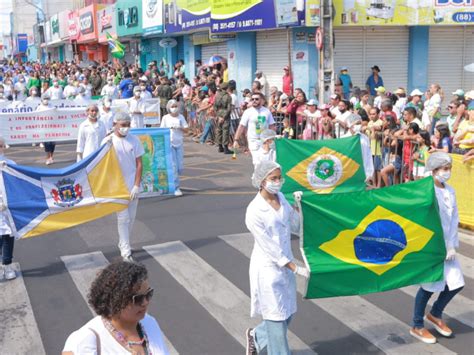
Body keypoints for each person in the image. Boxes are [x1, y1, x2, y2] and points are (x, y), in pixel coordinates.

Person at [245, 161, 307, 355]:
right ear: (262, 181)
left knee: (287, 314)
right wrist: (295, 267)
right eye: (273, 178)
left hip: (285, 267)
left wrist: (299, 208)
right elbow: (269, 247)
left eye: (279, 178)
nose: (278, 182)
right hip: (267, 270)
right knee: (277, 324)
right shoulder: (254, 211)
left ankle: (257, 336)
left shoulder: (280, 197)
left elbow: (295, 226)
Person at [410, 152, 464, 344]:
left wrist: (451, 245)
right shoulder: (425, 189)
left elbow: (453, 219)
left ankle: (435, 314)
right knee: (428, 286)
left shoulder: (450, 191)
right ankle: (417, 325)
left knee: (456, 283)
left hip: (447, 247)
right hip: (431, 246)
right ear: (433, 170)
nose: (447, 172)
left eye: (449, 168)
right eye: (444, 169)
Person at [62, 261, 169, 355]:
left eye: (148, 294)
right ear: (114, 300)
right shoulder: (84, 341)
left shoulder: (149, 323)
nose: (145, 302)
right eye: (137, 299)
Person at [101, 112, 144, 262]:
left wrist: (137, 185)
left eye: (128, 125)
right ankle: (126, 251)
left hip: (132, 185)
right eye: (122, 125)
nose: (126, 128)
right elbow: (101, 166)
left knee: (131, 218)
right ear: (115, 125)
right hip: (117, 187)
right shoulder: (108, 142)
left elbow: (139, 164)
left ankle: (123, 242)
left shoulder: (134, 140)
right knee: (123, 218)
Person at [234, 92, 276, 164]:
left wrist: (272, 138)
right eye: (252, 99)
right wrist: (236, 140)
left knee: (266, 161)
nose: (254, 101)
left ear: (262, 101)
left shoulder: (266, 111)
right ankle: (258, 174)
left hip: (265, 141)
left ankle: (261, 175)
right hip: (253, 141)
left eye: (256, 99)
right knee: (257, 162)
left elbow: (272, 125)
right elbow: (241, 126)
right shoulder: (248, 112)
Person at [160, 99, 189, 197]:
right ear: (168, 108)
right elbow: (161, 130)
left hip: (179, 143)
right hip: (170, 143)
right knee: (173, 166)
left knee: (180, 166)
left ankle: (172, 182)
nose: (174, 108)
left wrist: (179, 127)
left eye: (176, 106)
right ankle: (176, 187)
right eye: (172, 106)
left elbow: (187, 130)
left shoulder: (181, 117)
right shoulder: (165, 118)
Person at [0, 136, 17, 280]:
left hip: (6, 208)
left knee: (8, 236)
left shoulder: (10, 164)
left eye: (0, 145)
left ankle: (7, 264)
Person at [36, 94, 56, 165]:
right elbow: (36, 116)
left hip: (52, 126)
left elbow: (56, 113)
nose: (46, 100)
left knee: (53, 143)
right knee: (47, 143)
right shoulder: (39, 107)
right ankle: (47, 157)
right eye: (44, 99)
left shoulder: (51, 106)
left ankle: (51, 157)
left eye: (47, 99)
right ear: (41, 100)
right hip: (44, 127)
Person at [214, 82, 233, 154]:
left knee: (219, 130)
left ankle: (220, 147)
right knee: (225, 131)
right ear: (227, 88)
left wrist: (218, 116)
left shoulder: (217, 96)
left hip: (219, 113)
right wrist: (224, 117)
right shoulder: (228, 96)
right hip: (225, 115)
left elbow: (215, 106)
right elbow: (229, 109)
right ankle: (225, 148)